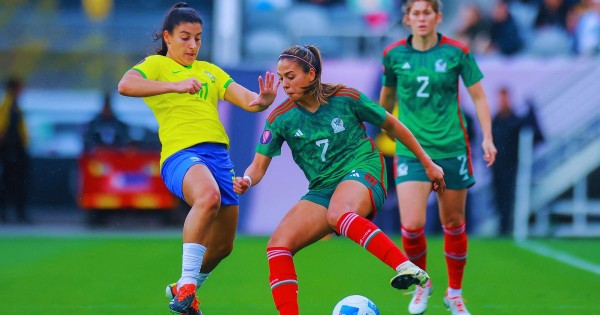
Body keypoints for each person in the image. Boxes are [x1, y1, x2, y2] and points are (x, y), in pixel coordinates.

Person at [234, 44, 446, 315]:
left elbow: (393, 125)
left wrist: (428, 163)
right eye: (281, 77)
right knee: (278, 245)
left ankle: (406, 267)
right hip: (324, 187)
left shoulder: (345, 97)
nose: (284, 84)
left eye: (291, 76)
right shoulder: (281, 118)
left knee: (338, 212)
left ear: (311, 74)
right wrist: (247, 180)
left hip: (363, 168)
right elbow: (258, 166)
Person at [117, 3, 279, 314]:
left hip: (218, 157)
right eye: (185, 37)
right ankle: (188, 285)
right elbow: (126, 85)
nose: (192, 45)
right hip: (181, 154)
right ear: (167, 37)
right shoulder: (156, 65)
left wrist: (263, 101)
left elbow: (250, 102)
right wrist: (174, 86)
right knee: (207, 196)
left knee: (223, 246)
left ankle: (183, 288)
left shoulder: (210, 71)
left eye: (198, 38)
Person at [378, 1, 497, 314]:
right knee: (412, 224)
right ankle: (423, 285)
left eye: (427, 13)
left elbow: (479, 96)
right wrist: (383, 129)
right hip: (412, 150)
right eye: (415, 13)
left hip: (451, 148)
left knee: (453, 223)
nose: (421, 18)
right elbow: (385, 101)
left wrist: (487, 137)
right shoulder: (393, 55)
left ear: (438, 17)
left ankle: (454, 293)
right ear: (407, 19)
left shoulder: (457, 52)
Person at [491, 87, 544, 236]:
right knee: (499, 199)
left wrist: (532, 110)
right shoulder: (495, 120)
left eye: (504, 98)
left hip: (511, 167)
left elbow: (537, 134)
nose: (502, 102)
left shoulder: (515, 120)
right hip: (496, 168)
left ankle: (507, 228)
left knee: (510, 198)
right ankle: (502, 228)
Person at [0, 77, 31, 224]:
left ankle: (14, 213)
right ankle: (13, 214)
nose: (22, 91)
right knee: (11, 182)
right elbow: (2, 129)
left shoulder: (13, 105)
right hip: (12, 151)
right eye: (20, 88)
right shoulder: (8, 105)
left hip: (15, 150)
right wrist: (8, 149)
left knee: (13, 182)